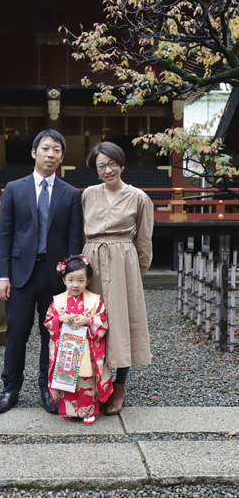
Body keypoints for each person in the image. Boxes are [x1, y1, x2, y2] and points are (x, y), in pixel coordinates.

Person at [0, 129, 82, 414]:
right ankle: (11, 388)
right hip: (19, 273)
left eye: (56, 150)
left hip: (55, 275)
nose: (51, 154)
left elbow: (73, 241)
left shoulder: (70, 194)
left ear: (62, 157)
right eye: (45, 148)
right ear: (34, 152)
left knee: (52, 334)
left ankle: (48, 388)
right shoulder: (14, 189)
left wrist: (72, 280)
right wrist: (2, 275)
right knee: (17, 331)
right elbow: (4, 236)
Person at [82, 141, 154, 415]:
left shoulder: (138, 197)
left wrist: (135, 273)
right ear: (96, 169)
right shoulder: (88, 194)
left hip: (123, 262)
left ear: (121, 164)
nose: (107, 170)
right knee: (92, 322)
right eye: (102, 166)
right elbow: (81, 231)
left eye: (112, 164)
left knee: (122, 323)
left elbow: (144, 241)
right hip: (92, 261)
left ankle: (119, 385)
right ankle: (92, 384)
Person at [44, 255, 113, 425]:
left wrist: (89, 321)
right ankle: (69, 410)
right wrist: (60, 319)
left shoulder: (94, 301)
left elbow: (102, 323)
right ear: (64, 280)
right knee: (67, 378)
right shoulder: (58, 301)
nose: (76, 285)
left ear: (88, 281)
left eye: (81, 280)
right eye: (71, 280)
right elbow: (48, 321)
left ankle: (88, 410)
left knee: (86, 379)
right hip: (66, 348)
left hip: (86, 348)